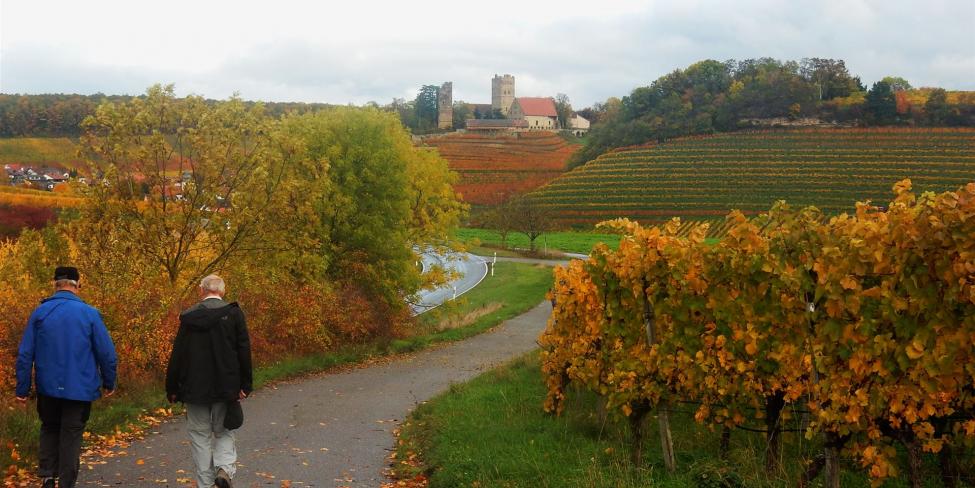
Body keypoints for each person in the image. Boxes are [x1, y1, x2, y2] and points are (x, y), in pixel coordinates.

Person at [15, 266, 118, 488]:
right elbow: (106, 353)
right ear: (77, 285)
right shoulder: (89, 314)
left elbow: (25, 354)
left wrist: (22, 388)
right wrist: (109, 382)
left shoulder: (40, 312)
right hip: (80, 389)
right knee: (71, 435)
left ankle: (47, 477)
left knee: (49, 427)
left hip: (47, 387)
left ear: (55, 284)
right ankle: (66, 483)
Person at [166, 274, 252, 488]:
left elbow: (178, 354)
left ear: (201, 290)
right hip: (226, 386)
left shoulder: (188, 317)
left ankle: (205, 483)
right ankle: (224, 469)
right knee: (224, 430)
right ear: (222, 291)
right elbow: (243, 350)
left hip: (194, 387)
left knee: (199, 436)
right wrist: (245, 384)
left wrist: (172, 387)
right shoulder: (234, 314)